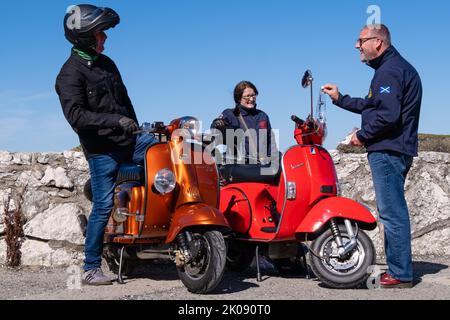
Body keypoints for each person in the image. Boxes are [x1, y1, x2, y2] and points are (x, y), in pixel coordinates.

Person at [55, 4, 154, 285]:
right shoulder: (69, 75)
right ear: (85, 36)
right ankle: (89, 268)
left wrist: (134, 125)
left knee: (167, 156)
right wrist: (115, 121)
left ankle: (156, 237)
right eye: (100, 33)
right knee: (101, 206)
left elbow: (126, 101)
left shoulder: (108, 64)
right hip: (102, 150)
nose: (105, 38)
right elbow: (77, 117)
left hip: (131, 140)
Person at [322, 24, 422, 288]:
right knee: (393, 211)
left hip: (388, 149)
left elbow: (388, 116)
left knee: (392, 212)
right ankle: (399, 269)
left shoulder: (389, 71)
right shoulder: (391, 69)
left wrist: (362, 136)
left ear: (377, 42)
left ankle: (401, 274)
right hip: (395, 148)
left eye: (360, 40)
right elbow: (372, 105)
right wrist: (339, 98)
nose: (357, 45)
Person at [211, 81, 276, 165]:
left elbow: (271, 141)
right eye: (247, 96)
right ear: (238, 98)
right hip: (239, 166)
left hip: (262, 165)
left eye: (253, 95)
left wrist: (274, 159)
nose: (251, 99)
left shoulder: (262, 116)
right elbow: (214, 129)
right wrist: (217, 123)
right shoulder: (230, 114)